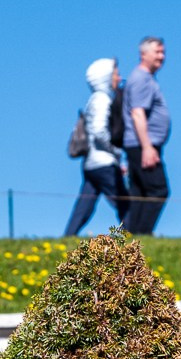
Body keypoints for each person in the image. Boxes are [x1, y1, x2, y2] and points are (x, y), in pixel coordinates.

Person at [64, 57, 124, 237]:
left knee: (84, 206)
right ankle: (135, 237)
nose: (119, 78)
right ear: (105, 77)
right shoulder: (102, 99)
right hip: (104, 163)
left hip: (91, 163)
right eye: (116, 74)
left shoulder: (94, 99)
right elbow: (99, 131)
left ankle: (68, 237)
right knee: (125, 203)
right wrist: (116, 152)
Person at [120, 36, 170, 235]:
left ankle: (132, 240)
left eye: (163, 52)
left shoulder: (145, 78)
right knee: (158, 190)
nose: (162, 56)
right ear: (144, 54)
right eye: (157, 52)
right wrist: (147, 147)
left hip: (139, 145)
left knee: (139, 193)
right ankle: (143, 236)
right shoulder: (141, 79)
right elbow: (137, 113)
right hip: (143, 145)